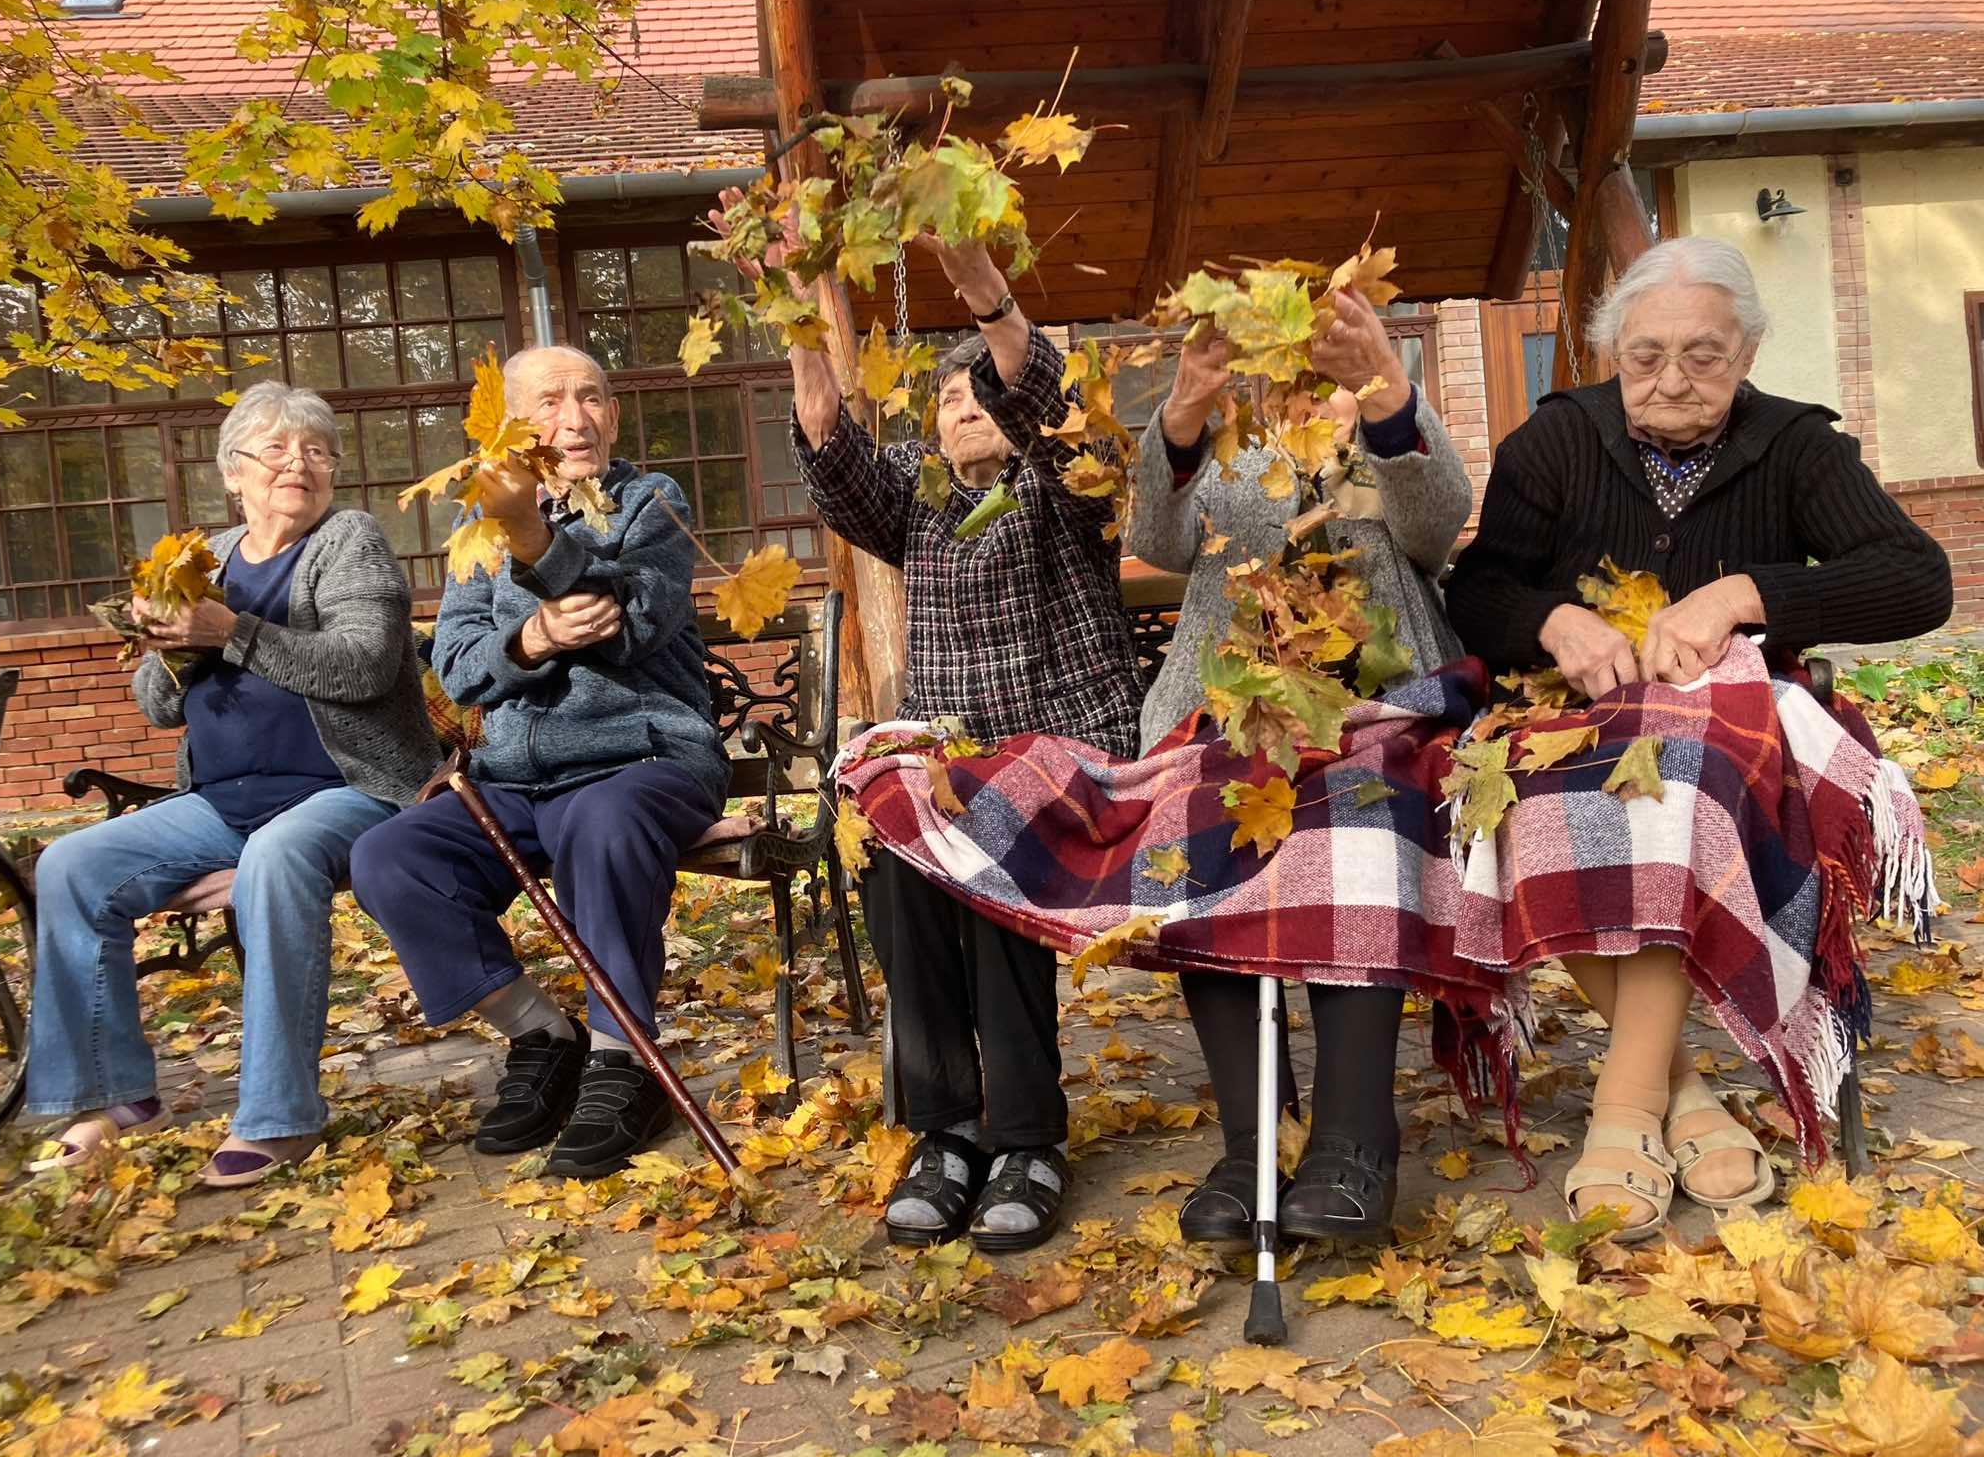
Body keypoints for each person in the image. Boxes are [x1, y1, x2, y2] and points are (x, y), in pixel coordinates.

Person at [1447, 235, 1952, 1234]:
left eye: (1702, 356)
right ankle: (1680, 1094)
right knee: (1518, 809)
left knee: (1677, 793)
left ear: (1745, 355)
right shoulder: (1550, 444)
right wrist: (1551, 620)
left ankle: (1623, 1108)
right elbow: (1477, 587)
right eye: (1645, 356)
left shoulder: (1798, 447)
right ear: (1610, 353)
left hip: (1742, 723)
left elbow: (1917, 578)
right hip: (1571, 715)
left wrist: (1745, 591)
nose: (1670, 378)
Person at [718, 192, 1144, 1253]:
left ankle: (1027, 1137)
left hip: (1063, 758)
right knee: (894, 842)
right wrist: (792, 309)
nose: (960, 404)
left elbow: (1056, 422)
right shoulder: (919, 501)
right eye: (946, 395)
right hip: (949, 757)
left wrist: (986, 300)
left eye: (979, 390)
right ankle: (945, 1130)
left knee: (982, 836)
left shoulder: (1066, 490)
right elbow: (826, 444)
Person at [24, 381, 439, 1187]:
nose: (300, 464)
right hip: (222, 801)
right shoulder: (201, 560)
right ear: (233, 474)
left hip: (350, 787)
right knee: (69, 868)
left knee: (277, 858)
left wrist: (232, 632)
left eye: (317, 450)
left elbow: (364, 666)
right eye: (278, 449)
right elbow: (156, 710)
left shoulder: (348, 539)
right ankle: (111, 1094)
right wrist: (168, 643)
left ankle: (279, 1116)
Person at [1128, 290, 1472, 1246]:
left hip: (1380, 698)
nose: (1298, 361)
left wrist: (1386, 390)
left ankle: (1355, 1134)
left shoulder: (1379, 408)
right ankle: (1252, 1140)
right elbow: (1153, 542)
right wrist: (1185, 415)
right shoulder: (1225, 436)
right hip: (1227, 698)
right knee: (1201, 815)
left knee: (1356, 815)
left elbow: (1437, 525)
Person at [348, 344, 727, 1180]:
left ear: (615, 413)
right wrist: (530, 637)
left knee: (603, 820)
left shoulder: (649, 502)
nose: (577, 418)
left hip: (644, 757)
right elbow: (456, 661)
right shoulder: (470, 530)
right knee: (389, 856)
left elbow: (630, 621)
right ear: (514, 427)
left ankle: (621, 1060)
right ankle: (540, 1033)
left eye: (592, 398)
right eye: (552, 402)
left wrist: (535, 539)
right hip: (515, 778)